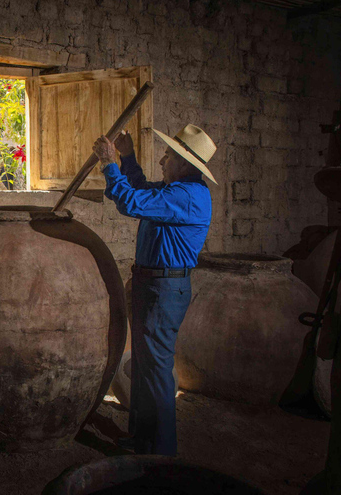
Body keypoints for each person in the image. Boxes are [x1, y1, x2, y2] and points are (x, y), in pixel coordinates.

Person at [92, 124, 217, 456]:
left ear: (184, 164)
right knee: (147, 368)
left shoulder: (186, 196)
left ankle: (161, 453)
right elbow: (142, 189)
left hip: (165, 289)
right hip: (156, 284)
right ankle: (142, 439)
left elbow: (131, 202)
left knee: (157, 370)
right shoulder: (177, 191)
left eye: (167, 156)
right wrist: (128, 157)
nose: (162, 161)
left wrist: (109, 163)